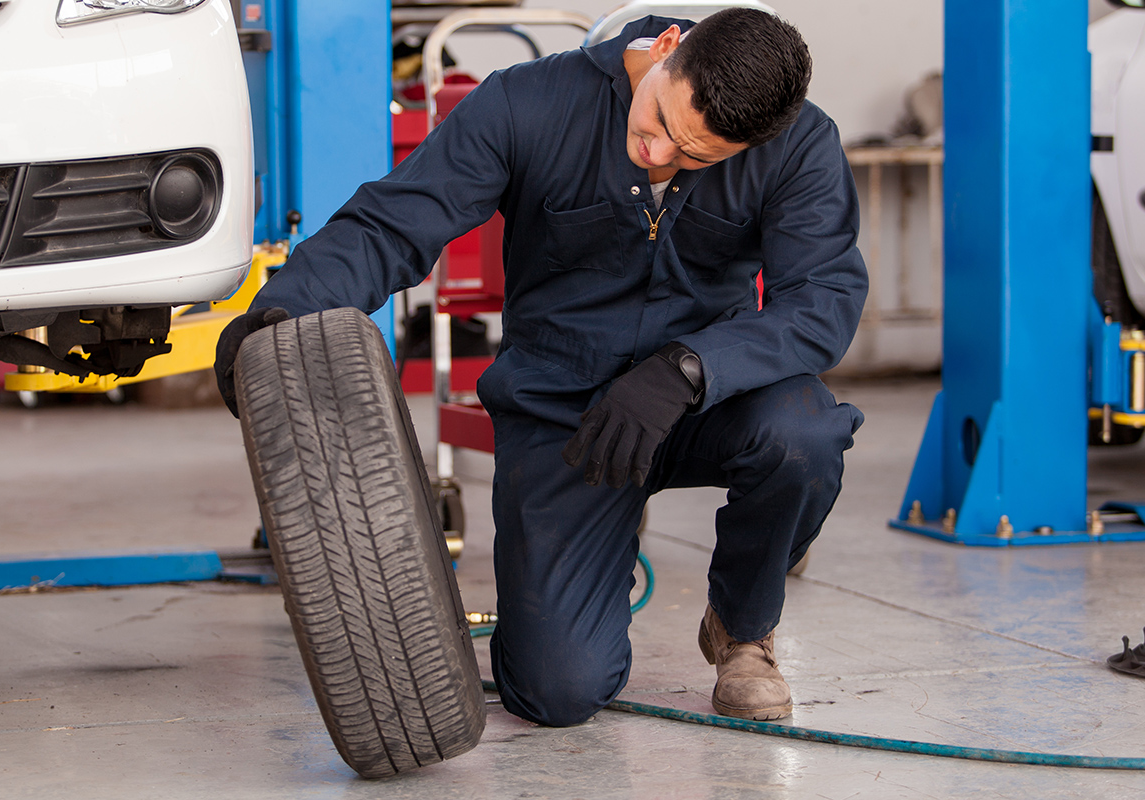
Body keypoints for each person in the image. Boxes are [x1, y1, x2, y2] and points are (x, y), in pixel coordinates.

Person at [216, 8, 866, 727]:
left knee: (804, 432)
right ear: (668, 48)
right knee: (557, 692)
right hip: (567, 410)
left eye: (694, 157)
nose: (658, 156)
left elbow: (822, 302)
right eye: (658, 125)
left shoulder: (801, 143)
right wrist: (282, 313)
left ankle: (742, 627)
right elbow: (396, 223)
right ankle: (597, 545)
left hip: (699, 401)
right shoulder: (527, 102)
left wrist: (690, 368)